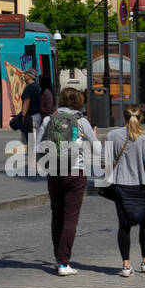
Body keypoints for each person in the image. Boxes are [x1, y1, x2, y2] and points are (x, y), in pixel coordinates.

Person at [106, 106, 145, 277]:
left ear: (124, 117)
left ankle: (126, 266)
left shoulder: (112, 135)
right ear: (140, 118)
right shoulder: (144, 137)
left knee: (124, 225)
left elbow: (106, 162)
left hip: (120, 186)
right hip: (141, 186)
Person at [39, 87, 97, 276]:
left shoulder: (48, 119)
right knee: (70, 217)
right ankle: (64, 263)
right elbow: (97, 149)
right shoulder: (81, 121)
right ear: (79, 101)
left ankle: (58, 258)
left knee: (57, 215)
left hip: (54, 173)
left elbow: (39, 147)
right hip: (75, 173)